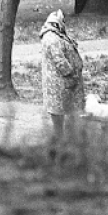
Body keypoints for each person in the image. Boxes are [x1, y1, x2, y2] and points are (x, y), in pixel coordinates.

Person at [40, 9, 85, 150]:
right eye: (62, 21)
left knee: (65, 110)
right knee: (59, 111)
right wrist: (71, 73)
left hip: (63, 82)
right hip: (60, 82)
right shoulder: (51, 38)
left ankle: (67, 139)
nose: (64, 24)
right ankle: (61, 141)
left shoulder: (56, 35)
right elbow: (59, 60)